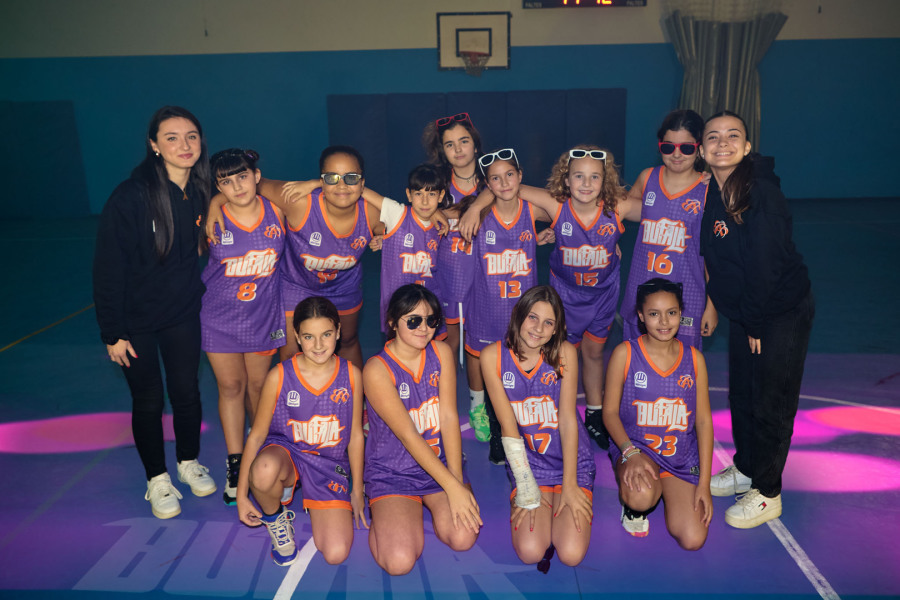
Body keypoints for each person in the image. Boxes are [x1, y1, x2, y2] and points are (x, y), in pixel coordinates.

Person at [467, 146, 635, 451]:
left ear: (605, 180)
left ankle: (594, 414)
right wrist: (474, 206)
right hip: (566, 296)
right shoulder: (556, 205)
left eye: (594, 177)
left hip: (602, 295)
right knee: (558, 359)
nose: (586, 183)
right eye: (578, 176)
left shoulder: (616, 207)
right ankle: (552, 414)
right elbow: (506, 186)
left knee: (594, 354)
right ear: (566, 180)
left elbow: (656, 205)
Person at [93, 106, 216, 519]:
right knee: (148, 400)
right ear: (154, 146)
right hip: (136, 321)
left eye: (191, 136)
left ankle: (187, 462)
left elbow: (251, 184)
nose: (184, 145)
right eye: (172, 138)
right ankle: (157, 479)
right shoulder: (132, 196)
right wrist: (113, 332)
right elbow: (108, 267)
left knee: (186, 392)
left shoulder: (199, 190)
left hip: (182, 313)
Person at [699, 111, 814, 529]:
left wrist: (756, 323)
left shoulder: (761, 194)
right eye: (713, 137)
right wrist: (725, 307)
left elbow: (765, 267)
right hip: (748, 312)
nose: (722, 143)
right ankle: (747, 467)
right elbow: (717, 257)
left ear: (747, 147)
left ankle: (767, 491)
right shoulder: (716, 191)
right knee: (743, 395)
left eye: (733, 136)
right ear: (703, 149)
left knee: (771, 401)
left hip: (777, 311)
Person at [207, 145, 380, 369]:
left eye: (351, 178)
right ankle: (293, 393)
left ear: (362, 182)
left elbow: (408, 217)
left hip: (343, 287)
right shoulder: (297, 201)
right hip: (297, 284)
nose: (342, 185)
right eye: (331, 178)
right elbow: (250, 184)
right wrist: (216, 202)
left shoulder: (373, 214)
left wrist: (385, 237)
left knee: (346, 340)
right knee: (291, 350)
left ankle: (355, 391)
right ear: (322, 179)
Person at [235, 296, 366, 566]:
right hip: (289, 453)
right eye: (308, 337)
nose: (318, 345)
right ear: (296, 336)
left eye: (326, 334)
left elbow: (355, 435)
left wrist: (357, 488)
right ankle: (276, 517)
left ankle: (292, 491)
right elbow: (257, 435)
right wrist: (241, 493)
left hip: (328, 464)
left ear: (338, 331)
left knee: (336, 553)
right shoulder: (279, 376)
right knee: (264, 471)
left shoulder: (351, 375)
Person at [363, 284, 480, 575]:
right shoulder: (377, 370)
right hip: (394, 472)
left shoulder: (441, 352)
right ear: (392, 322)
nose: (424, 328)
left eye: (431, 320)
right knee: (399, 562)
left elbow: (449, 418)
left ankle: (426, 503)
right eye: (413, 320)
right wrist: (453, 488)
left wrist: (456, 480)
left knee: (463, 538)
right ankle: (386, 513)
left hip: (438, 463)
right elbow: (409, 436)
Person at [481, 285, 596, 568]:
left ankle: (565, 495)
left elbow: (568, 420)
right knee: (530, 551)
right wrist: (525, 484)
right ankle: (544, 502)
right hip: (530, 463)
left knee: (571, 554)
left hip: (571, 461)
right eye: (533, 317)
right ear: (518, 314)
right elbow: (508, 428)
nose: (538, 328)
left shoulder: (564, 354)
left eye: (548, 322)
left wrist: (570, 484)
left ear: (556, 329)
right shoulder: (492, 357)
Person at [201, 148, 285, 505]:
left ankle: (260, 452)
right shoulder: (213, 220)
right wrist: (213, 204)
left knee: (258, 388)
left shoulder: (277, 211)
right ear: (217, 186)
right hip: (218, 317)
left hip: (263, 317)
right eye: (225, 182)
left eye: (242, 176)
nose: (236, 186)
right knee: (231, 387)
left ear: (256, 176)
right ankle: (236, 464)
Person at [459, 148, 553, 464]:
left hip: (523, 313)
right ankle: (497, 431)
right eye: (495, 179)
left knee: (521, 371)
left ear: (520, 175)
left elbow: (564, 207)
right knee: (491, 373)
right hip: (487, 308)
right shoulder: (480, 214)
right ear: (487, 184)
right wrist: (474, 207)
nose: (504, 183)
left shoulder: (531, 210)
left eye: (510, 175)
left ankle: (524, 427)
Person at [603, 279, 712, 548]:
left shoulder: (694, 359)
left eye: (671, 312)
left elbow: (703, 422)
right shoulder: (625, 354)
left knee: (693, 539)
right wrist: (629, 453)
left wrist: (704, 483)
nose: (664, 322)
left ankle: (668, 487)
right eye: (654, 314)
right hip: (637, 448)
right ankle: (633, 508)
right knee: (641, 496)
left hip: (679, 456)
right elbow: (610, 413)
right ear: (641, 316)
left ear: (680, 313)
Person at [620, 109, 718, 355]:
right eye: (668, 147)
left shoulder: (709, 190)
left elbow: (714, 256)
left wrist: (712, 304)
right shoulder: (647, 178)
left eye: (686, 148)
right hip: (641, 291)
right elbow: (626, 212)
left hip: (687, 296)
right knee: (636, 362)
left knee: (682, 365)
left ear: (699, 148)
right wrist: (611, 240)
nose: (676, 154)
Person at [362, 164, 451, 336]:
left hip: (429, 302)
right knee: (399, 349)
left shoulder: (441, 226)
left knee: (433, 347)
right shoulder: (397, 213)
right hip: (399, 305)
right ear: (409, 194)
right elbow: (360, 189)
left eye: (431, 194)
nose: (425, 201)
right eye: (418, 194)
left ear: (441, 196)